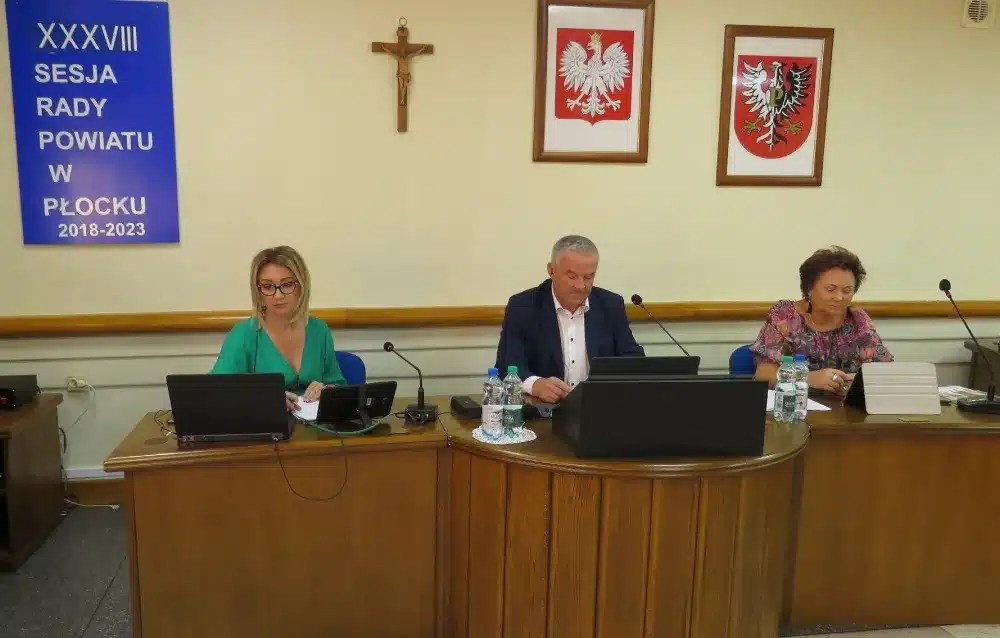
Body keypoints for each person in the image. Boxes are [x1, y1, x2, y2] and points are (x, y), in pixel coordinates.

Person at [494, 235, 644, 404]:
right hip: (543, 410)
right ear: (551, 270)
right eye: (572, 276)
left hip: (599, 406)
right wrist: (535, 384)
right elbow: (506, 365)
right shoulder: (523, 306)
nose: (581, 286)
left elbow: (633, 358)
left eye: (588, 277)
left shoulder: (610, 304)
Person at [210, 246, 346, 411]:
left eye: (287, 285)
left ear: (302, 286)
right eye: (268, 287)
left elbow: (339, 386)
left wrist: (326, 391)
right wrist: (264, 399)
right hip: (264, 423)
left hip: (313, 424)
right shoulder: (243, 335)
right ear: (258, 291)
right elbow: (217, 393)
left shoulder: (319, 330)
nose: (278, 295)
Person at [750, 245, 893, 395]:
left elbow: (885, 370)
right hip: (795, 403)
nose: (839, 297)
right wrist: (806, 378)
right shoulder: (785, 316)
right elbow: (764, 375)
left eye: (847, 291)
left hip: (844, 406)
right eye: (830, 289)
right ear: (809, 289)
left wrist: (858, 381)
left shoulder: (858, 319)